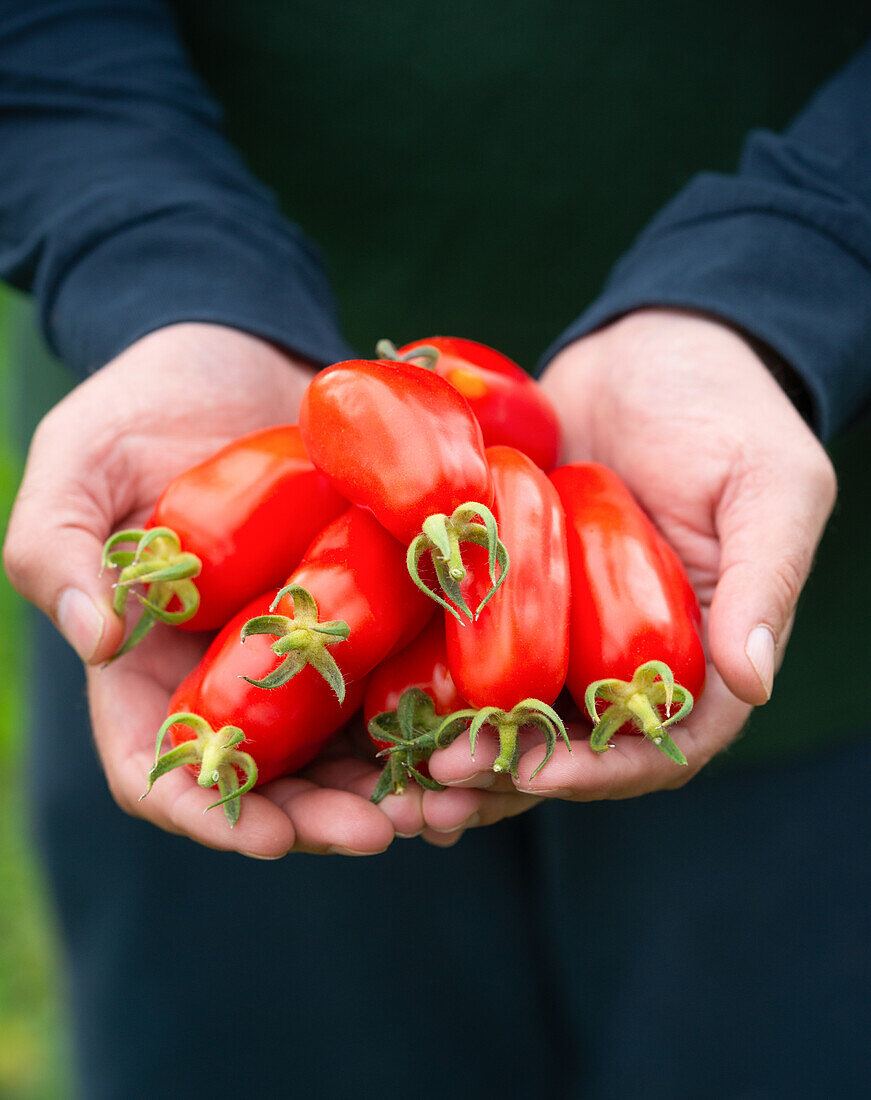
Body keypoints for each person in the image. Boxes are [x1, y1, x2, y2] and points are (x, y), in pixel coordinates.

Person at [2, 1, 871, 1095]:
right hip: (194, 434)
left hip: (819, 590)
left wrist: (807, 267)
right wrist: (149, 261)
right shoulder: (433, 499)